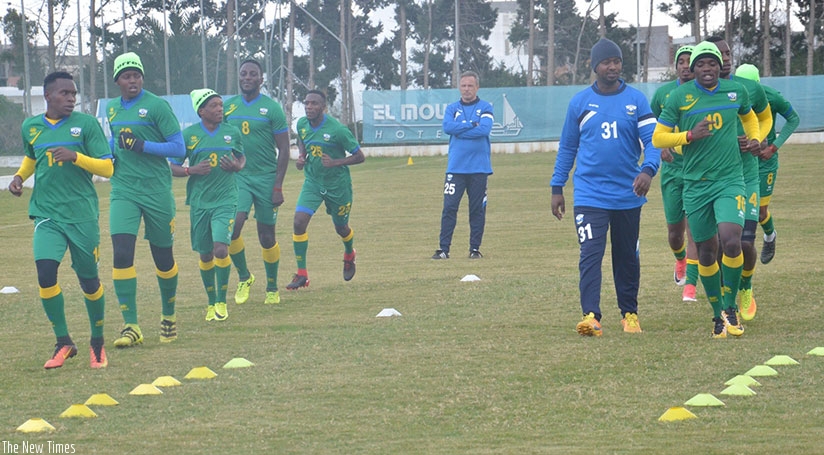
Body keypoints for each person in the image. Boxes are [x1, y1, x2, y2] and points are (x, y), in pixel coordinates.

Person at [550, 38, 660, 336]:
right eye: (606, 62)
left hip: (628, 195)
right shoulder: (580, 103)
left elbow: (653, 142)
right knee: (590, 253)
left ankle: (630, 314)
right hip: (589, 195)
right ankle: (591, 316)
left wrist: (648, 171)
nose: (612, 67)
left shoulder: (636, 100)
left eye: (617, 61)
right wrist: (557, 186)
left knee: (627, 257)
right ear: (594, 66)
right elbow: (568, 148)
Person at [652, 41, 761, 338]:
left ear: (719, 66)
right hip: (696, 185)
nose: (707, 69)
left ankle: (730, 308)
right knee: (707, 253)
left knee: (732, 240)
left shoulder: (735, 91)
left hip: (730, 180)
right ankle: (716, 317)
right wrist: (687, 135)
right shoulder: (679, 97)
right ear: (693, 68)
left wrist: (754, 137)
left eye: (712, 63)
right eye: (700, 64)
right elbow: (658, 138)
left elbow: (750, 116)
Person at [9, 71, 113, 369]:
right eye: (64, 93)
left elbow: (107, 169)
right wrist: (19, 177)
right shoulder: (31, 127)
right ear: (48, 96)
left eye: (73, 93)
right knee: (45, 274)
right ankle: (63, 341)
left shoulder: (87, 125)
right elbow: (33, 157)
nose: (71, 98)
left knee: (89, 281)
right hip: (46, 213)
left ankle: (97, 342)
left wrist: (76, 157)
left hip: (81, 216)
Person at [105, 52, 186, 347]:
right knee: (122, 252)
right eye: (127, 76)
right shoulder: (112, 109)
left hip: (156, 192)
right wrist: (106, 152)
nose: (133, 80)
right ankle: (131, 326)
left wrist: (142, 145)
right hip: (123, 189)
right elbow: (113, 142)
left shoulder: (156, 106)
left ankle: (168, 316)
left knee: (163, 258)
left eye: (136, 75)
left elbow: (179, 149)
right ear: (117, 80)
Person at [707, 37, 773, 323]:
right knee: (722, 243)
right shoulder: (700, 94)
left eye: (729, 52)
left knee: (744, 242)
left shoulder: (749, 89)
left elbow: (766, 117)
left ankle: (745, 286)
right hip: (716, 178)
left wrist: (756, 138)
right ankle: (726, 299)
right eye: (720, 54)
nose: (727, 57)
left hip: (746, 176)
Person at [169, 89, 245, 322]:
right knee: (205, 254)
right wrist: (191, 170)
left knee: (221, 248)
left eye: (221, 105)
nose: (220, 109)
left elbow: (241, 157)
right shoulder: (188, 136)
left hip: (227, 199)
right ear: (201, 111)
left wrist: (237, 166)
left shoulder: (232, 132)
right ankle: (211, 303)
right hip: (200, 202)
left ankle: (222, 301)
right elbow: (171, 166)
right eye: (214, 106)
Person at [223, 59, 290, 306]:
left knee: (266, 237)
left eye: (253, 74)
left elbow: (284, 150)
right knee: (233, 227)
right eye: (243, 73)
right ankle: (244, 276)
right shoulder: (227, 107)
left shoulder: (272, 109)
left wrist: (277, 186)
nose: (247, 77)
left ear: (261, 80)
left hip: (266, 178)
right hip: (238, 178)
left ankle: (272, 287)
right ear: (239, 77)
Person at [285, 90, 365, 290]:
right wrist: (302, 156)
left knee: (341, 228)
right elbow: (302, 140)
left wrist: (336, 162)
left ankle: (349, 253)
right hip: (313, 182)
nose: (309, 107)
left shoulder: (337, 130)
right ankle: (302, 274)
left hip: (337, 186)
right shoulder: (302, 124)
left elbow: (359, 156)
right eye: (306, 103)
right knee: (298, 222)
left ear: (323, 107)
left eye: (314, 104)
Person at [734, 63, 800, 268]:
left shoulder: (771, 96)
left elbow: (793, 119)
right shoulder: (732, 95)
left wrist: (773, 147)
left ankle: (770, 237)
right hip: (740, 161)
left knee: (761, 212)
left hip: (764, 161)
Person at [649, 45, 701, 302]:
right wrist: (662, 148)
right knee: (674, 232)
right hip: (671, 170)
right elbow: (652, 127)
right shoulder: (663, 94)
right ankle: (680, 259)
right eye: (681, 60)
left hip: (696, 169)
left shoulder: (703, 94)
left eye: (689, 61)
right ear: (676, 65)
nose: (684, 65)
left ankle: (690, 284)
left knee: (695, 228)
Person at [432, 70, 494, 260]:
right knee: (449, 208)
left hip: (479, 169)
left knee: (477, 210)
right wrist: (471, 125)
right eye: (463, 85)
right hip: (455, 169)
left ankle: (475, 249)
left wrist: (461, 130)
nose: (467, 89)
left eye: (470, 86)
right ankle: (444, 249)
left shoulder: (486, 107)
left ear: (477, 87)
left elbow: (484, 130)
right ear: (459, 87)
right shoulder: (452, 108)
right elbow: (447, 128)